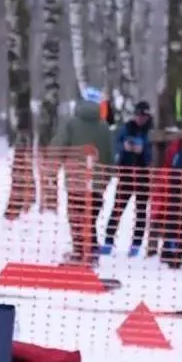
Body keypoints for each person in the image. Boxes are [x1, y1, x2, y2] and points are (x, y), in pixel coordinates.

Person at [51, 86, 114, 262]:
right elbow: (110, 154)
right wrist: (106, 177)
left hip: (76, 180)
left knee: (77, 216)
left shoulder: (71, 123)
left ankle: (80, 252)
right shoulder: (104, 126)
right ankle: (91, 248)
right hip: (98, 182)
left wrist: (52, 167)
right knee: (90, 215)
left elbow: (58, 146)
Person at [102, 101, 153, 257]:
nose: (140, 118)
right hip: (126, 174)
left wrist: (143, 150)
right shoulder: (126, 128)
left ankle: (136, 245)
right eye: (138, 115)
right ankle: (108, 241)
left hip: (144, 175)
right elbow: (115, 144)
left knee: (141, 212)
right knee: (117, 208)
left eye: (143, 115)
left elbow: (153, 154)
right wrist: (123, 148)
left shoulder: (151, 131)